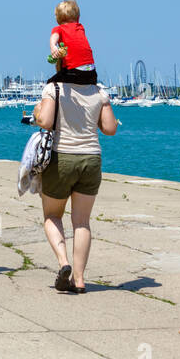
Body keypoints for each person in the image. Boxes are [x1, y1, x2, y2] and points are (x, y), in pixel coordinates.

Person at [32, 63, 118, 292]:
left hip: (62, 159)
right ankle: (79, 280)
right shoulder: (99, 91)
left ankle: (64, 263)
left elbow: (45, 122)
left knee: (52, 215)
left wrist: (37, 110)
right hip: (91, 159)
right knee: (82, 222)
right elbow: (110, 129)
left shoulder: (55, 88)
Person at [47, 0, 98, 85]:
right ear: (78, 17)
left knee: (50, 84)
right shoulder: (80, 27)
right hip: (92, 73)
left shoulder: (59, 28)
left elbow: (54, 37)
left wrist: (53, 46)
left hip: (75, 72)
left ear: (57, 18)